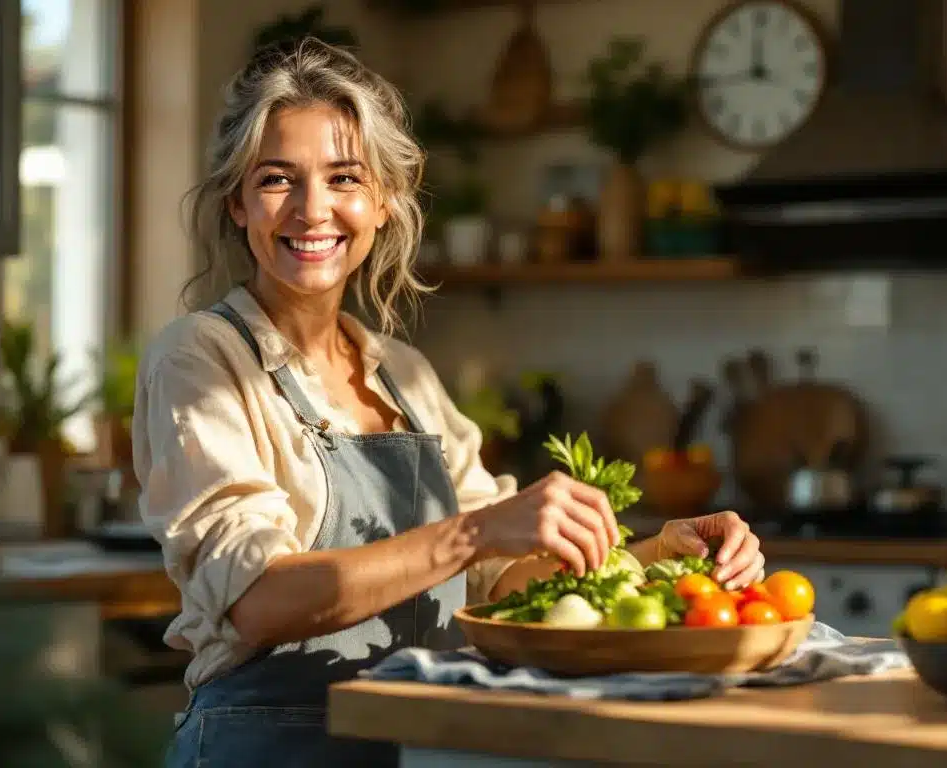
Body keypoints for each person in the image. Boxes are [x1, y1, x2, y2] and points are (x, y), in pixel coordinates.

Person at [135, 39, 766, 768]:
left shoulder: (402, 372)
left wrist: (657, 553)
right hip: (273, 746)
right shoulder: (201, 358)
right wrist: (475, 531)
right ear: (238, 203)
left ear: (383, 202)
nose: (313, 210)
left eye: (344, 178)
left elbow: (494, 582)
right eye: (278, 179)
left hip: (424, 745)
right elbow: (259, 601)